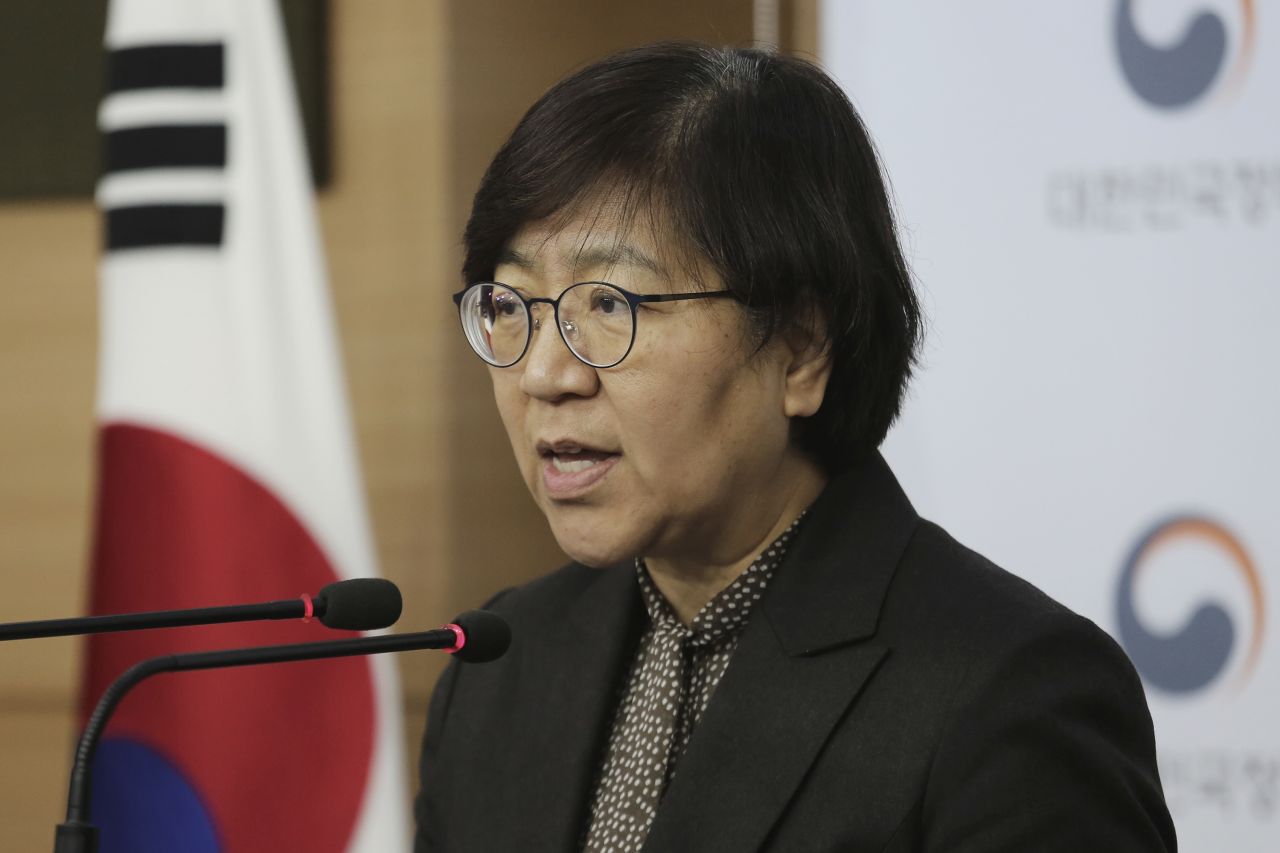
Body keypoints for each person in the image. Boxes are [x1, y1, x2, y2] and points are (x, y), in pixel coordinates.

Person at [415, 43, 1176, 852]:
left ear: (801, 349)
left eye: (609, 302)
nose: (543, 372)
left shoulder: (1006, 695)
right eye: (512, 303)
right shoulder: (499, 663)